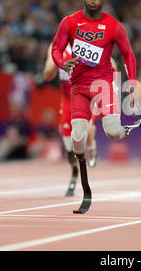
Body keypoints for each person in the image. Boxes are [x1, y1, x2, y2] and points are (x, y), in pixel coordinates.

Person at [51, 0, 140, 208]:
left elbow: (128, 55)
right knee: (77, 138)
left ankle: (130, 127)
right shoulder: (69, 22)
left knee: (112, 132)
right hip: (79, 88)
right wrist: (63, 63)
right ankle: (84, 185)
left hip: (103, 87)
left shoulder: (114, 26)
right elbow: (56, 48)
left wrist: (131, 81)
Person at [43, 43, 101, 196]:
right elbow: (47, 75)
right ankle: (74, 172)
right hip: (68, 100)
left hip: (87, 95)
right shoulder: (56, 47)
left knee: (86, 129)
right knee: (70, 148)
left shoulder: (88, 45)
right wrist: (57, 60)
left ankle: (91, 141)